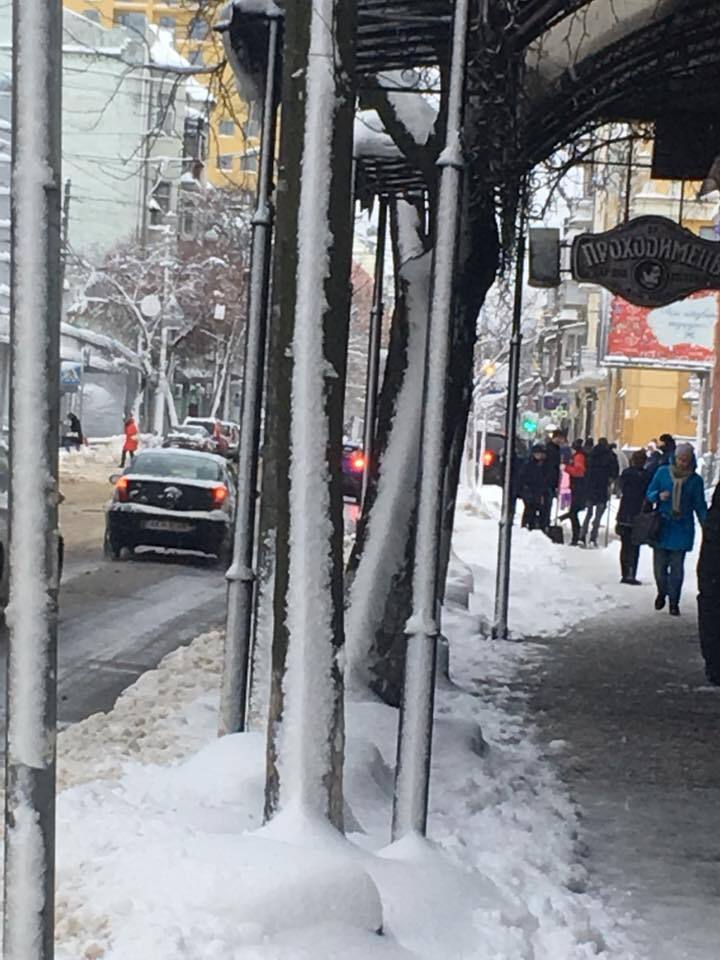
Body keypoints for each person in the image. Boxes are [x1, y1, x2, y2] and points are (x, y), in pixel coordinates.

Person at [646, 442, 707, 615]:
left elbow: (700, 506)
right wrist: (658, 495)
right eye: (680, 459)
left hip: (682, 527)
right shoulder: (662, 473)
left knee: (677, 569)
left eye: (686, 460)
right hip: (662, 526)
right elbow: (650, 492)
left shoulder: (695, 481)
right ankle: (661, 591)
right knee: (659, 568)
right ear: (675, 458)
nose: (682, 463)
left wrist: (707, 526)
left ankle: (674, 602)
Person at [615, 449, 650, 584]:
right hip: (640, 514)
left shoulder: (627, 473)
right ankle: (632, 573)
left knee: (625, 545)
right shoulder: (647, 476)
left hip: (625, 512)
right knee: (635, 546)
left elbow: (621, 488)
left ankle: (625, 573)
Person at [698, 485, 720, 684]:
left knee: (711, 616)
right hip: (712, 574)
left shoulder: (714, 520)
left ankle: (713, 665)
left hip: (712, 574)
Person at [579, 437, 619, 546]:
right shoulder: (611, 456)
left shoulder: (591, 454)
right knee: (598, 515)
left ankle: (582, 536)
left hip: (590, 487)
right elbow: (615, 473)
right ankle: (593, 537)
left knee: (588, 513)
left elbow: (585, 470)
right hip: (602, 487)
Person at [518, 444, 548, 531]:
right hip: (529, 490)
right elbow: (523, 477)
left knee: (535, 508)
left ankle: (531, 526)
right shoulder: (529, 464)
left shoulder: (542, 465)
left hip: (537, 490)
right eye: (538, 453)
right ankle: (526, 525)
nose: (540, 455)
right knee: (529, 508)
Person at [542, 430, 569, 528]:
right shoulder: (550, 449)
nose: (562, 441)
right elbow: (549, 466)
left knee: (548, 505)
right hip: (547, 481)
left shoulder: (557, 449)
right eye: (561, 438)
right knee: (546, 505)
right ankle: (544, 524)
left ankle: (545, 524)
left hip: (552, 481)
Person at [563, 438, 587, 546]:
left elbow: (578, 472)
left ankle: (576, 537)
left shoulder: (579, 457)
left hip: (578, 488)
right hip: (578, 487)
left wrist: (566, 468)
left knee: (573, 513)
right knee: (573, 513)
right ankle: (577, 536)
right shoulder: (580, 456)